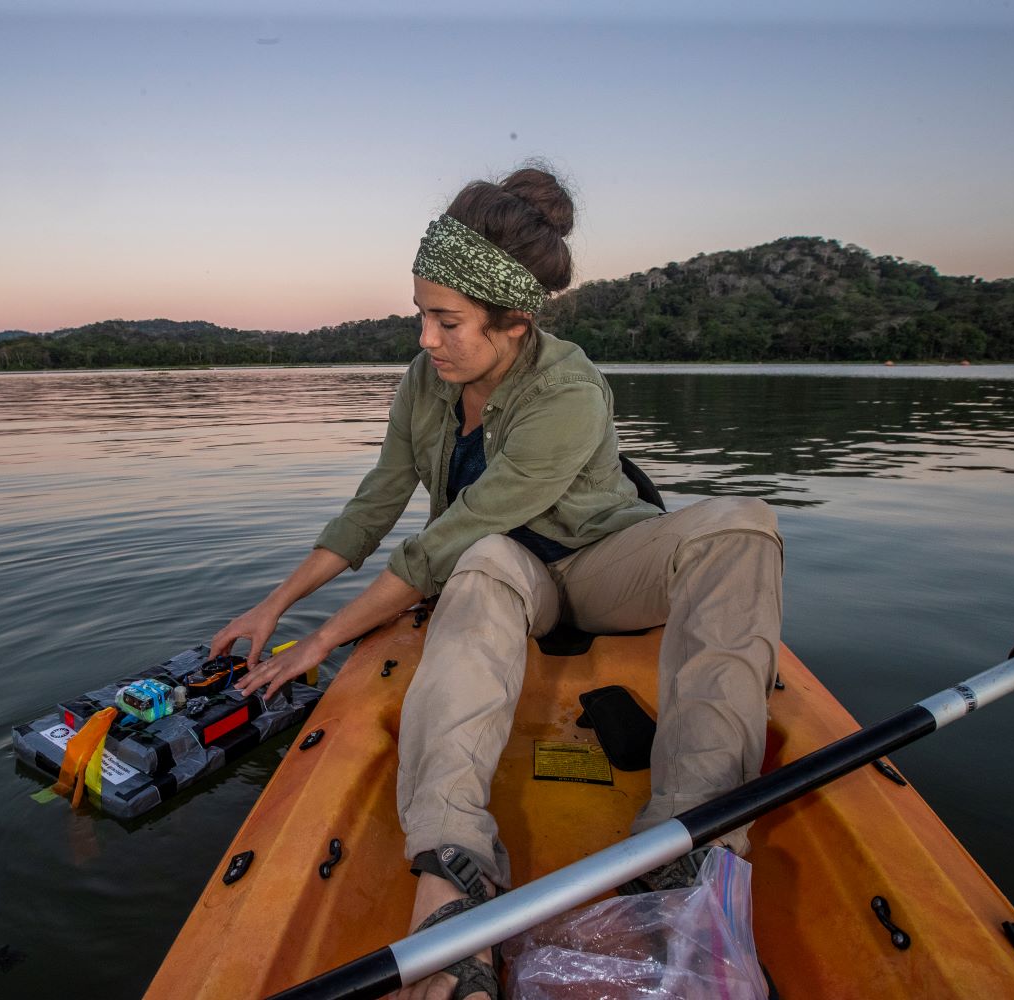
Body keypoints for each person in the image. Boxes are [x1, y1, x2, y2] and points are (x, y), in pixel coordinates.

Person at [215, 165, 783, 1000]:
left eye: (447, 321)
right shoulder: (424, 385)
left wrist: (331, 640)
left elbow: (441, 540)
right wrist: (277, 607)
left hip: (597, 564)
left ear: (513, 322)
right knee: (480, 563)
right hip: (508, 571)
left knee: (745, 525)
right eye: (421, 315)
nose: (426, 339)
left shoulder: (567, 388)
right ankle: (452, 882)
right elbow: (378, 506)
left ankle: (687, 842)